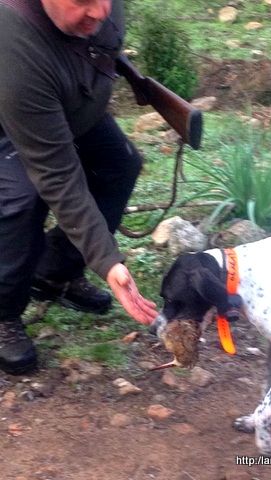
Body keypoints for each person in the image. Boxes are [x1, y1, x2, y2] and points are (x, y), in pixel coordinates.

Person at [0, 0, 159, 375]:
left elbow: (102, 50)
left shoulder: (101, 9)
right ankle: (3, 314)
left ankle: (53, 271)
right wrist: (107, 261)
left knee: (120, 165)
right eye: (82, 2)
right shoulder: (13, 39)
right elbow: (56, 173)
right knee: (23, 199)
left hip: (69, 106)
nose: (101, 12)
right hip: (14, 114)